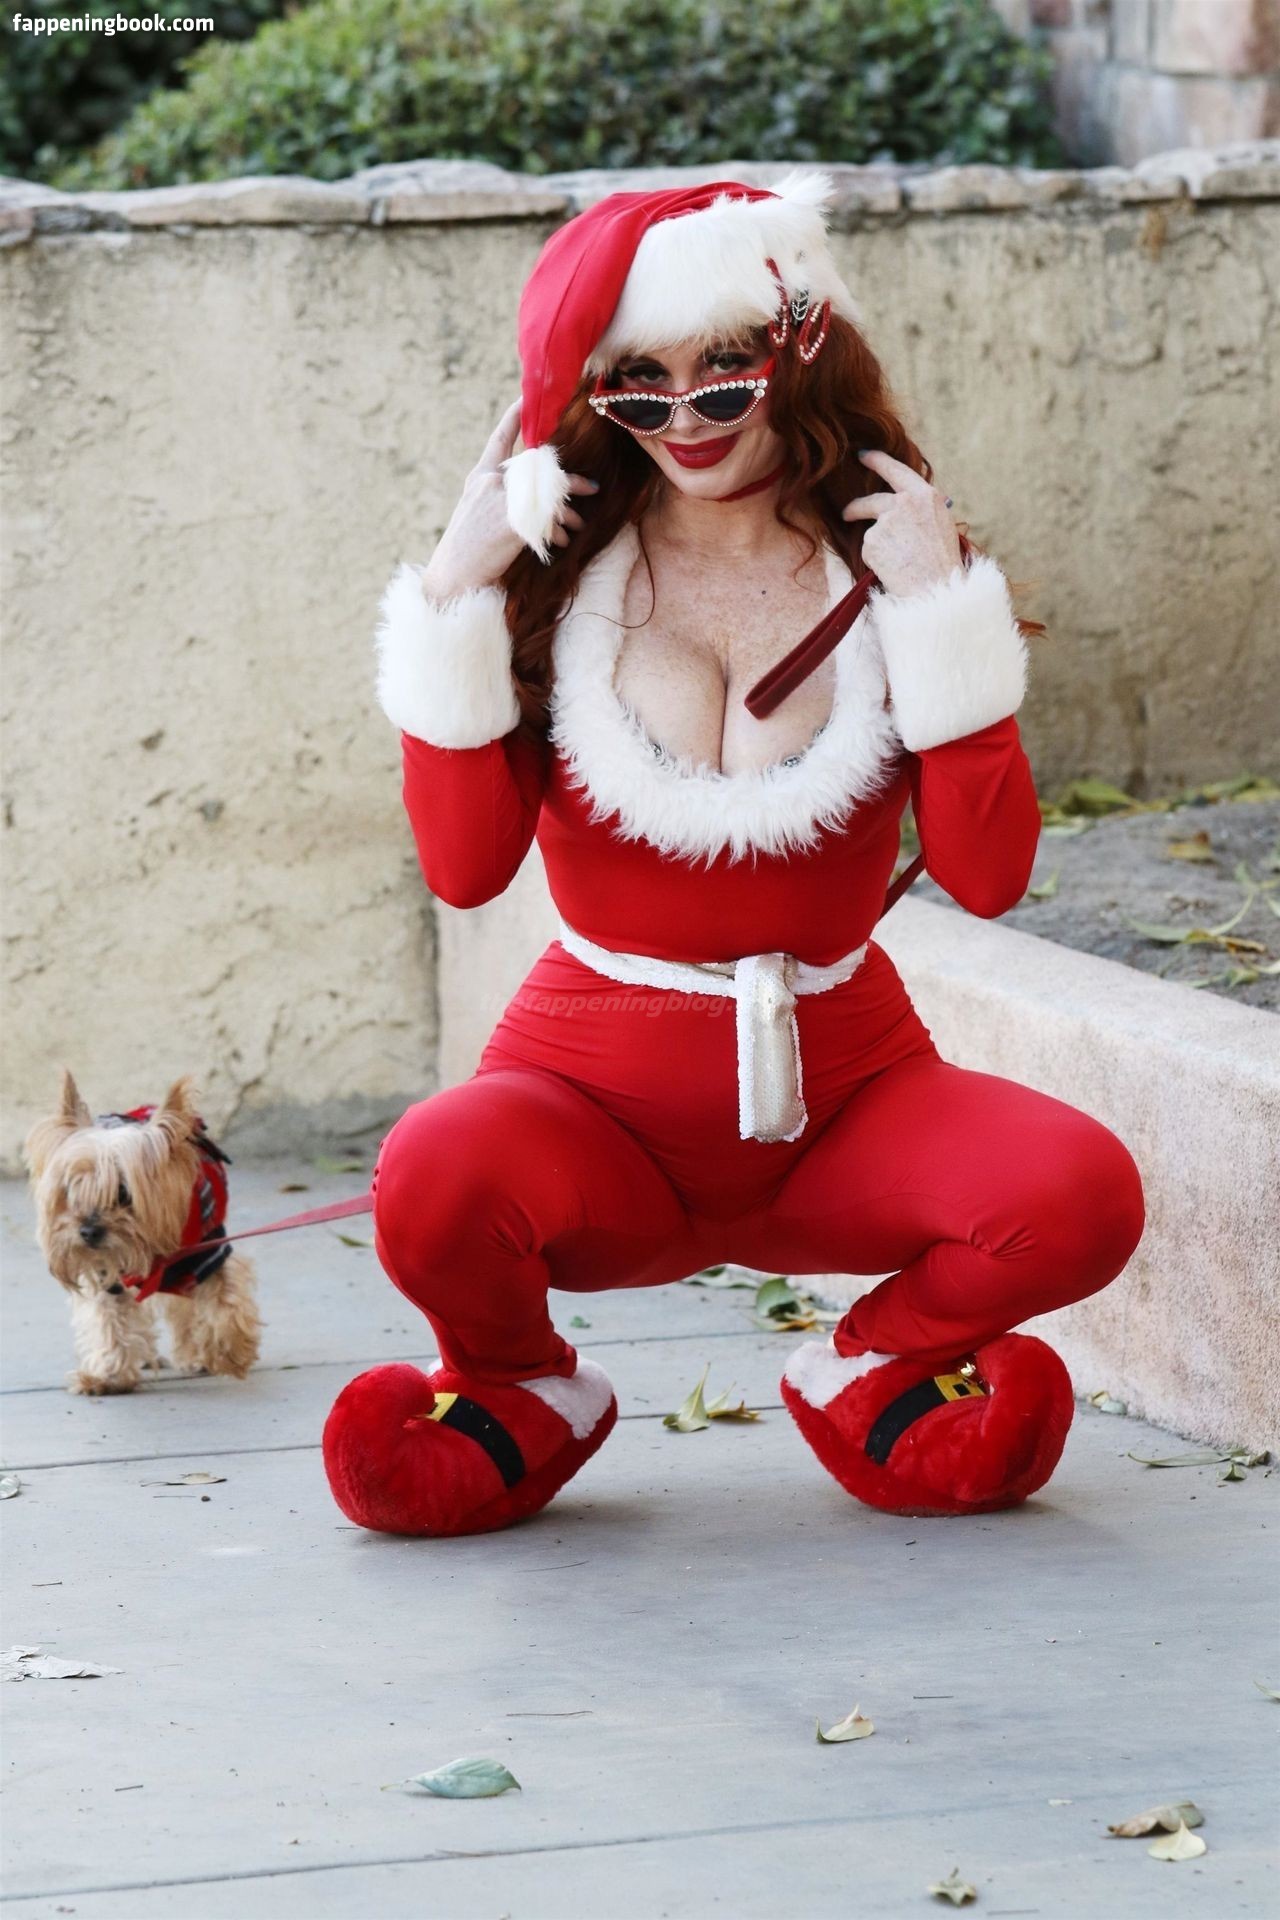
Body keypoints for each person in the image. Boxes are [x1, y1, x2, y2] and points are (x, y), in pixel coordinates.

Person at [323, 172, 1146, 1536]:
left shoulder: (884, 566)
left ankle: (874, 1364)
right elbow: (466, 870)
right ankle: (519, 1383)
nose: (688, 418)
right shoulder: (555, 579)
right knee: (429, 1175)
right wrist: (455, 592)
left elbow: (989, 876)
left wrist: (944, 608)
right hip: (588, 1104)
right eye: (638, 385)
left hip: (847, 1094)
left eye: (724, 370)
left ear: (799, 344)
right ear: (595, 396)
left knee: (1081, 1196)